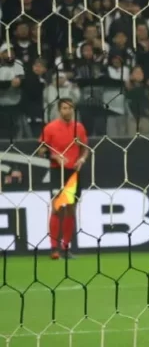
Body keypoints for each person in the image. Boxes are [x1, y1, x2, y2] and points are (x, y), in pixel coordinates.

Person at [39, 98, 89, 259]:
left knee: (70, 208)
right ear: (59, 110)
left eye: (70, 108)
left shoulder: (79, 128)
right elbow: (41, 150)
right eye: (64, 108)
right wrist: (54, 156)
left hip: (72, 173)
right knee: (56, 207)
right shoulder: (50, 128)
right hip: (56, 172)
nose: (67, 111)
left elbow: (85, 149)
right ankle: (54, 249)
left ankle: (66, 248)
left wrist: (82, 159)